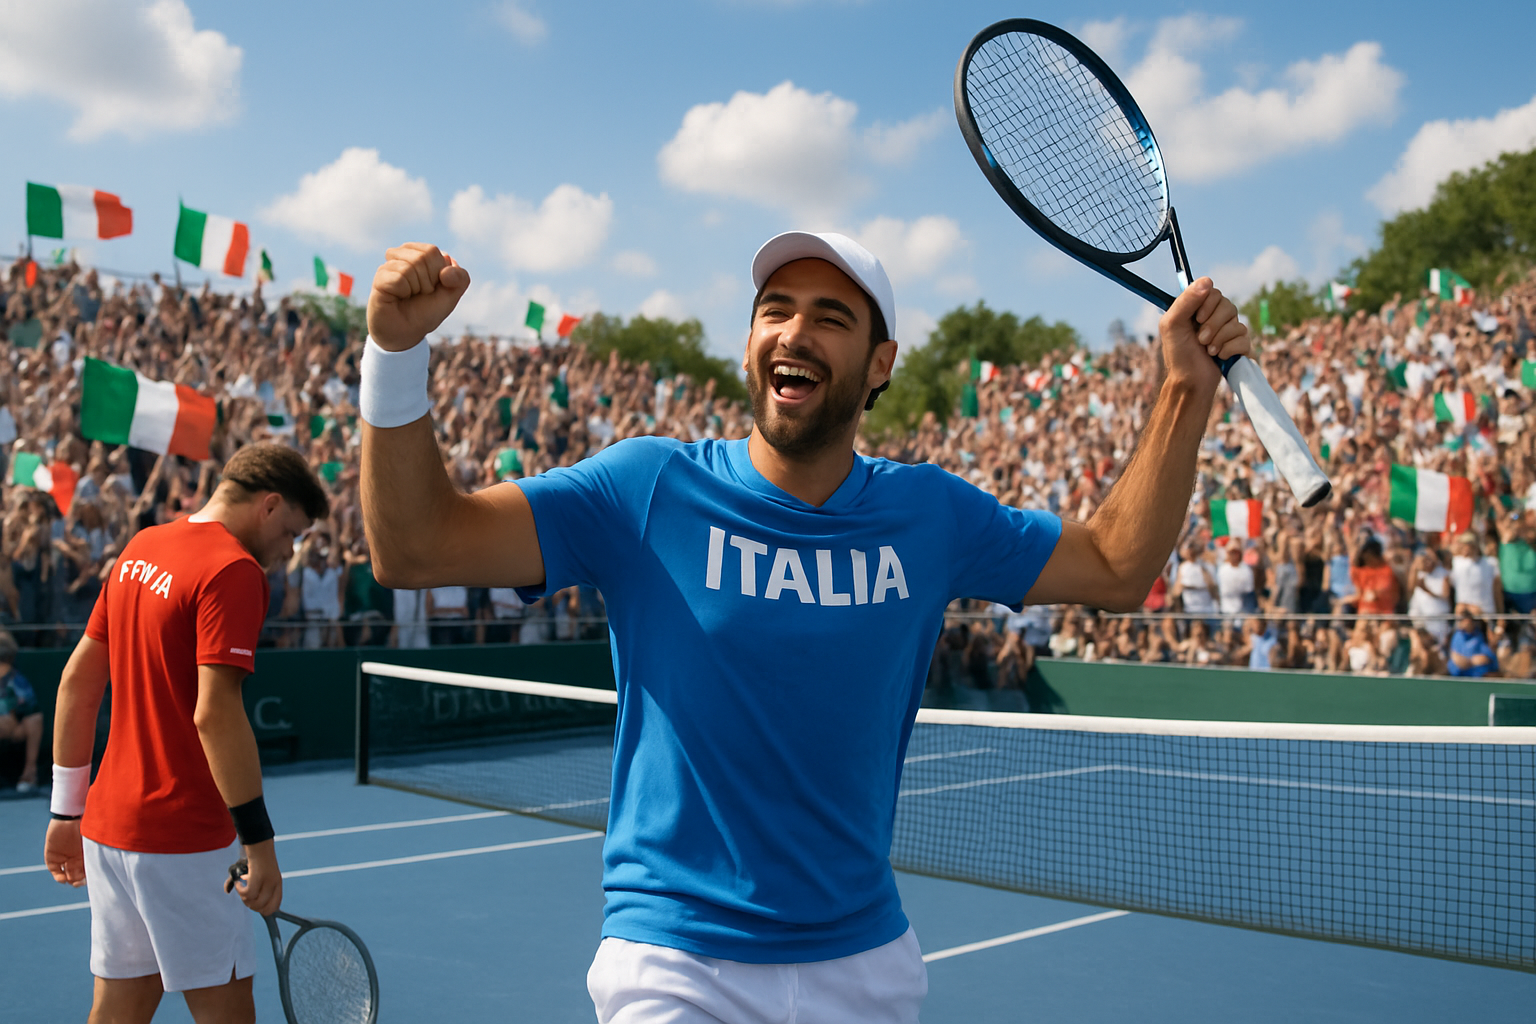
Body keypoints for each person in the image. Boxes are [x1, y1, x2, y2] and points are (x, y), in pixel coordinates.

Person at [358, 234, 1250, 1022]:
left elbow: (1116, 566)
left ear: (879, 364)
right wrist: (395, 355)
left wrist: (1182, 388)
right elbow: (419, 547)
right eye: (774, 310)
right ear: (750, 345)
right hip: (677, 963)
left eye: (830, 317)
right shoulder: (645, 489)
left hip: (865, 965)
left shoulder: (929, 513)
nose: (794, 331)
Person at [43, 444, 327, 1024]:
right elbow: (214, 712)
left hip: (107, 831)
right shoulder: (235, 571)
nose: (290, 551)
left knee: (120, 1005)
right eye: (293, 533)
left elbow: (76, 680)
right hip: (184, 841)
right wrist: (259, 845)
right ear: (269, 506)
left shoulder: (143, 545)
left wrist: (66, 813)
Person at [0, 629, 43, 790]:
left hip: (12, 728)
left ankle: (29, 773)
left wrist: (13, 722)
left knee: (34, 720)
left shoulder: (17, 680)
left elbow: (30, 709)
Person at [1447, 614, 1498, 678]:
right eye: (1461, 620)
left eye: (1466, 620)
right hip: (1459, 674)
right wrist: (1470, 661)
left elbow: (1484, 658)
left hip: (1478, 676)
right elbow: (1455, 657)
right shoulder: (1457, 635)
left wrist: (1471, 662)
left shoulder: (1480, 635)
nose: (1464, 623)